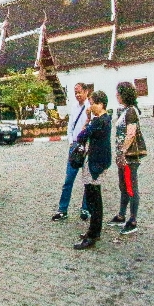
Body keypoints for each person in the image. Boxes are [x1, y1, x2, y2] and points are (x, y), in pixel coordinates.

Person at [72, 90, 112, 250]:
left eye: (92, 103)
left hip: (95, 163)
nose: (90, 106)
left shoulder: (98, 121)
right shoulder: (106, 119)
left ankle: (93, 234)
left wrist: (87, 119)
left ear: (100, 104)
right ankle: (94, 231)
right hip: (99, 161)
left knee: (94, 200)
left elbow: (81, 136)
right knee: (95, 199)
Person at [107, 82, 145, 236]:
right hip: (122, 156)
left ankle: (133, 220)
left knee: (131, 187)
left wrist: (122, 152)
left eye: (118, 93)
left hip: (129, 157)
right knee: (123, 185)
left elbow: (131, 134)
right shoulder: (124, 111)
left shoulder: (131, 112)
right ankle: (122, 215)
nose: (116, 95)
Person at [53, 83, 92, 221]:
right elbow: (70, 127)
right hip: (75, 146)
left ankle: (85, 208)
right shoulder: (74, 108)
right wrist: (71, 142)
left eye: (79, 92)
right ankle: (62, 209)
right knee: (68, 179)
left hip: (87, 147)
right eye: (75, 92)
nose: (77, 95)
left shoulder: (91, 108)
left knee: (87, 180)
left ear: (86, 92)